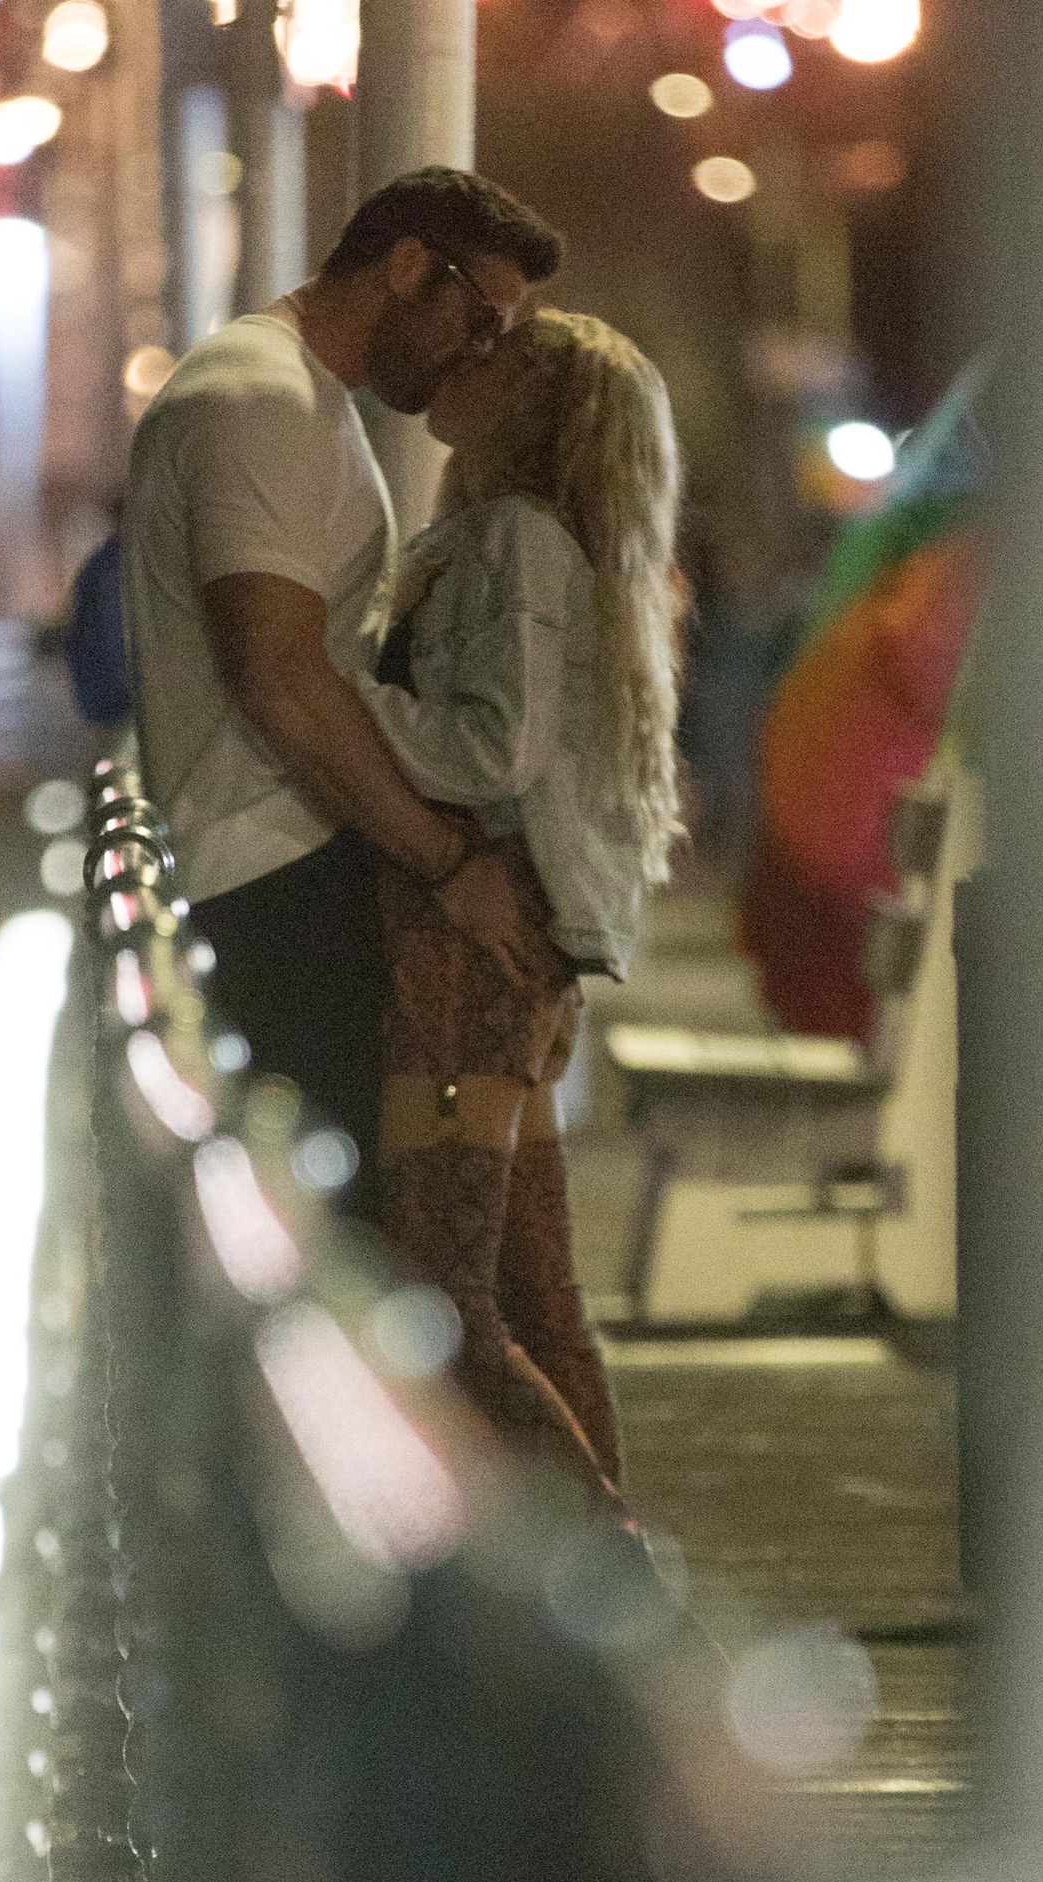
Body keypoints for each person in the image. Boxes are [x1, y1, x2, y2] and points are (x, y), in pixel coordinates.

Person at [121, 170, 566, 1221]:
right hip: (267, 882)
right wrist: (444, 859)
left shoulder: (300, 400)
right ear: (407, 265)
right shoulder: (261, 401)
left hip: (277, 868)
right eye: (479, 315)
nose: (481, 347)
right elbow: (274, 672)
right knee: (319, 1239)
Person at [353, 310, 687, 1501]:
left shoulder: (507, 540)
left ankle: (604, 1601)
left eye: (491, 351)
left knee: (445, 1293)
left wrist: (343, 702)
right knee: (536, 1300)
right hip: (524, 955)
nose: (458, 350)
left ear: (531, 404)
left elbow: (486, 753)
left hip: (466, 955)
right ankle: (626, 1587)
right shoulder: (562, 550)